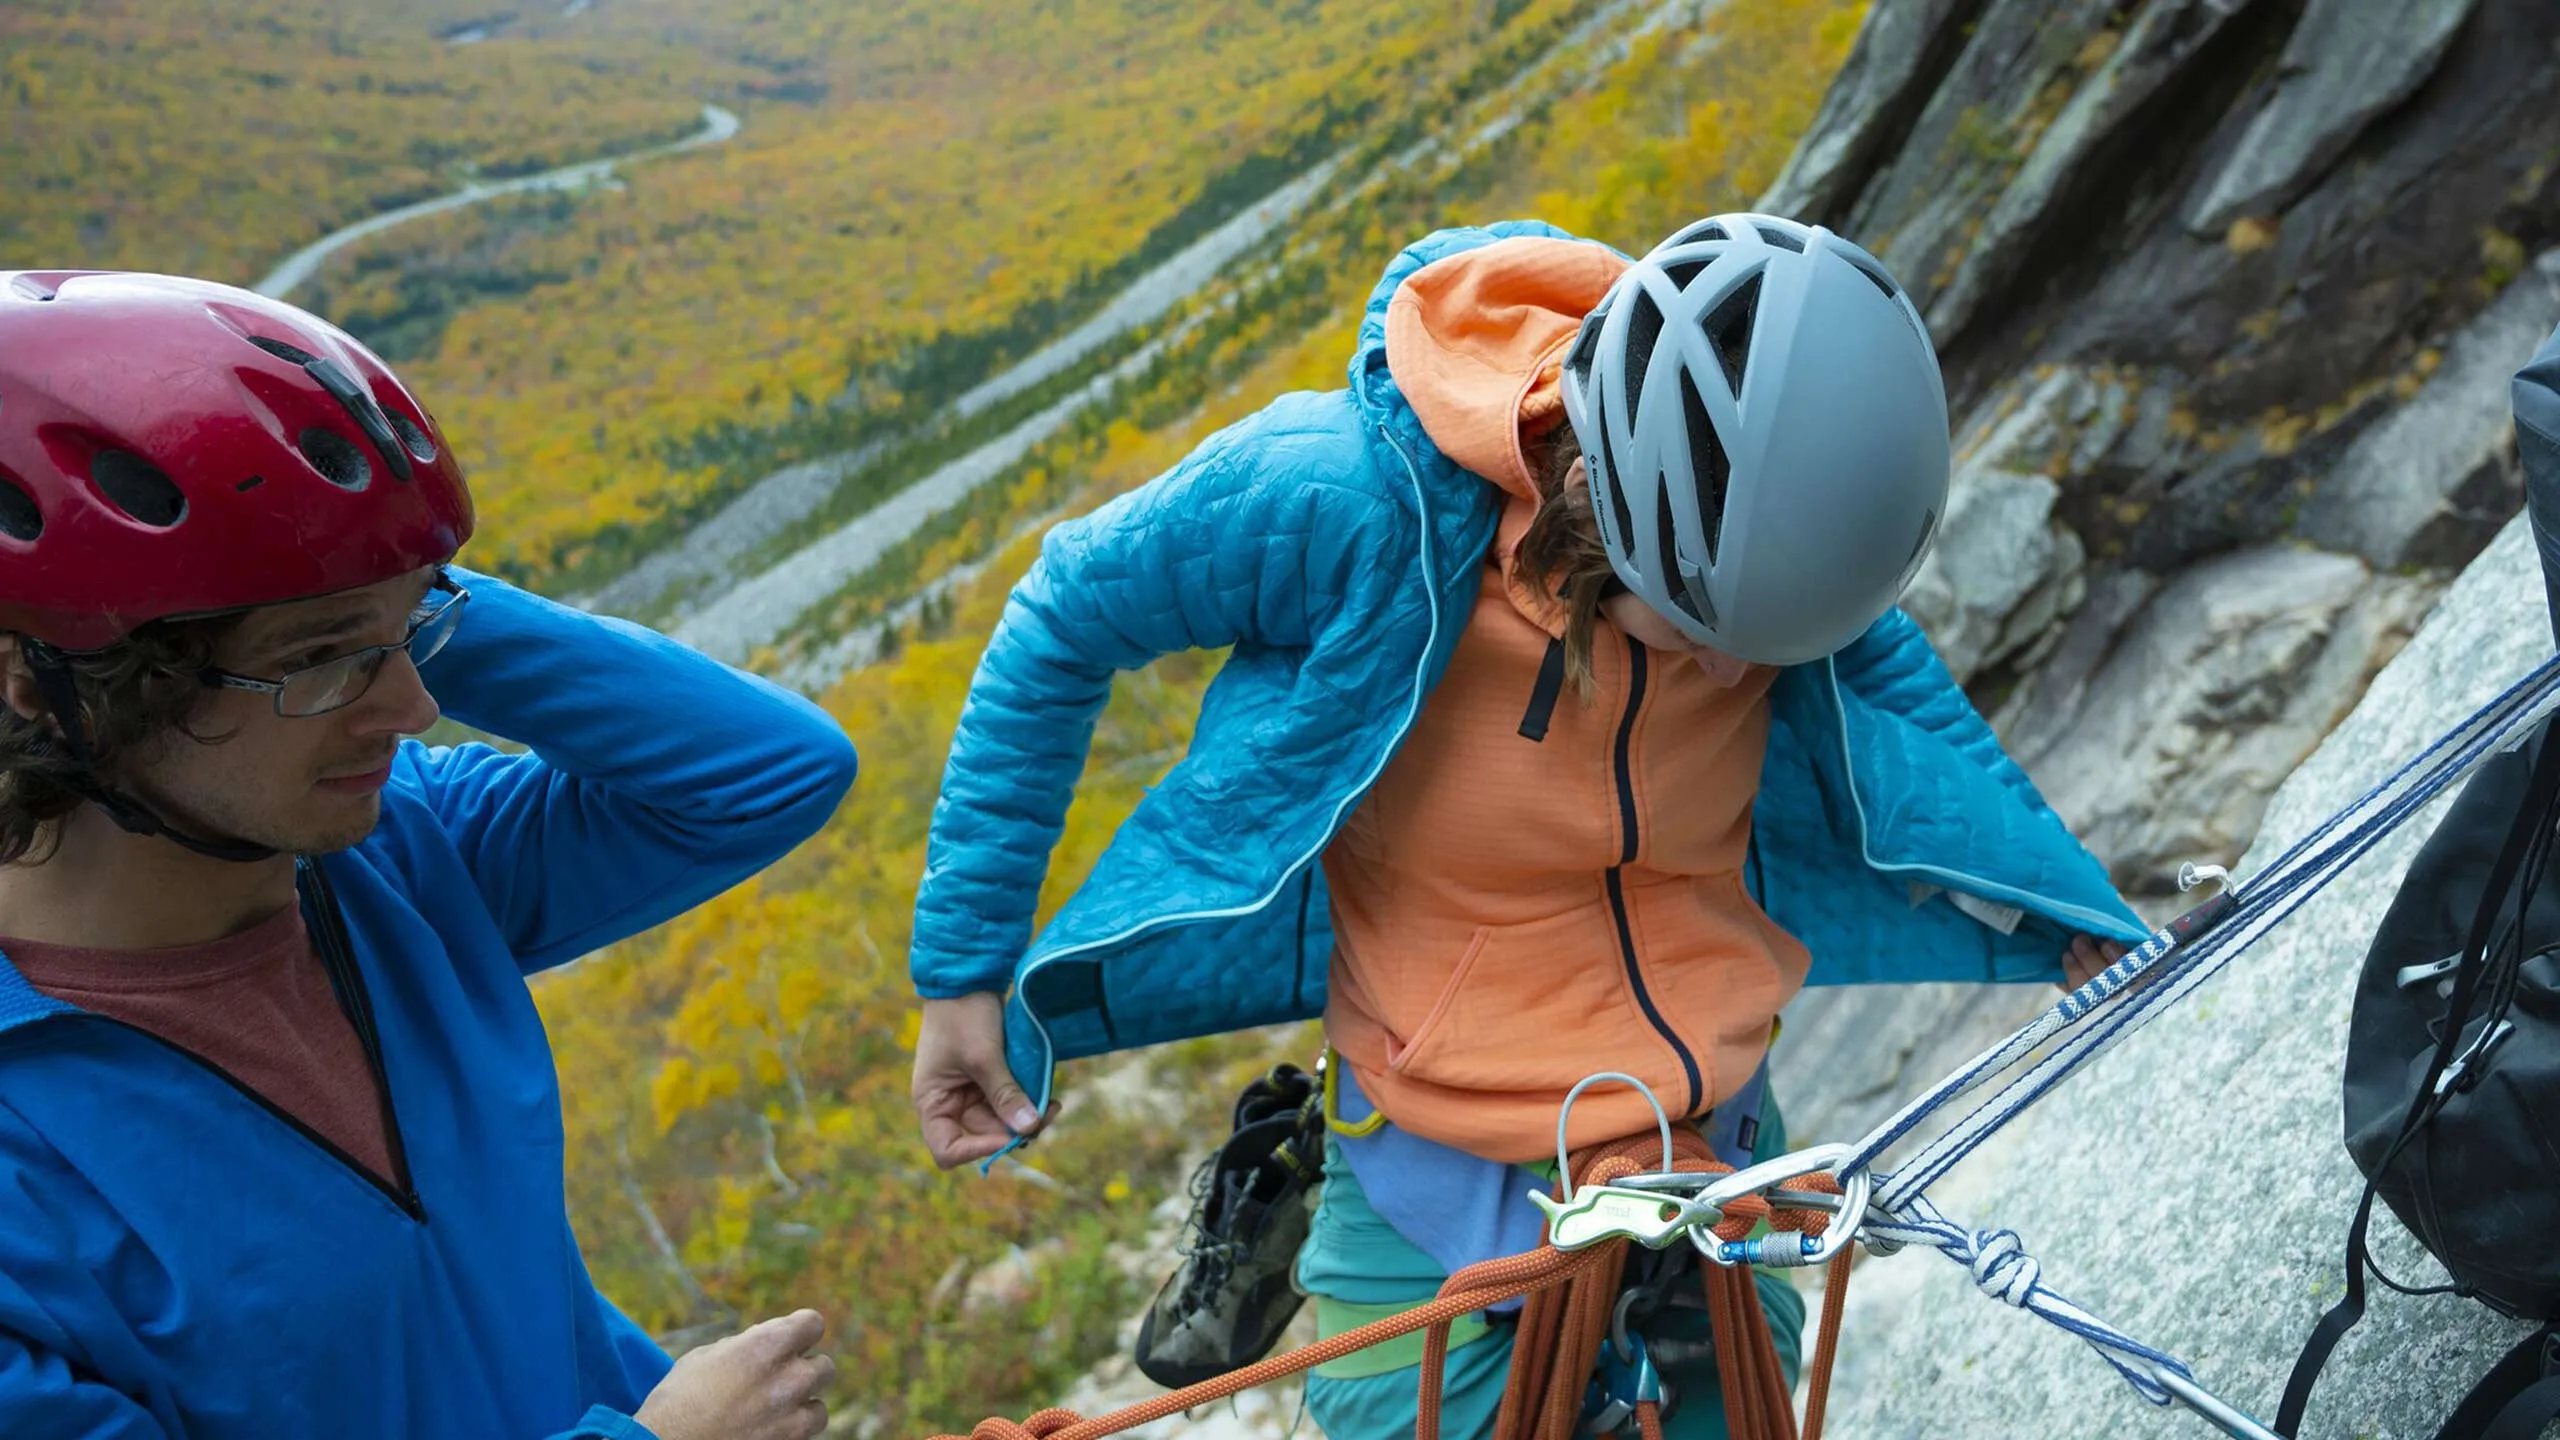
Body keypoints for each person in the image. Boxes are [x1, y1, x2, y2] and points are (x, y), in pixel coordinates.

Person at [904, 215, 2149, 1436]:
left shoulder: (1763, 538)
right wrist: (962, 973)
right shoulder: (1347, 502)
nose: (1738, 676)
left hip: (1712, 1149)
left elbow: (1914, 723)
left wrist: (2067, 915)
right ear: (1595, 509)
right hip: (1431, 1160)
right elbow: (1061, 618)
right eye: (1699, 633)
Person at [0, 270, 861, 1440]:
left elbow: (770, 769)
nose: (414, 709)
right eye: (319, 658)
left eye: (416, 633)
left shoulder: (399, 852)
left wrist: (370, 578)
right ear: (42, 683)